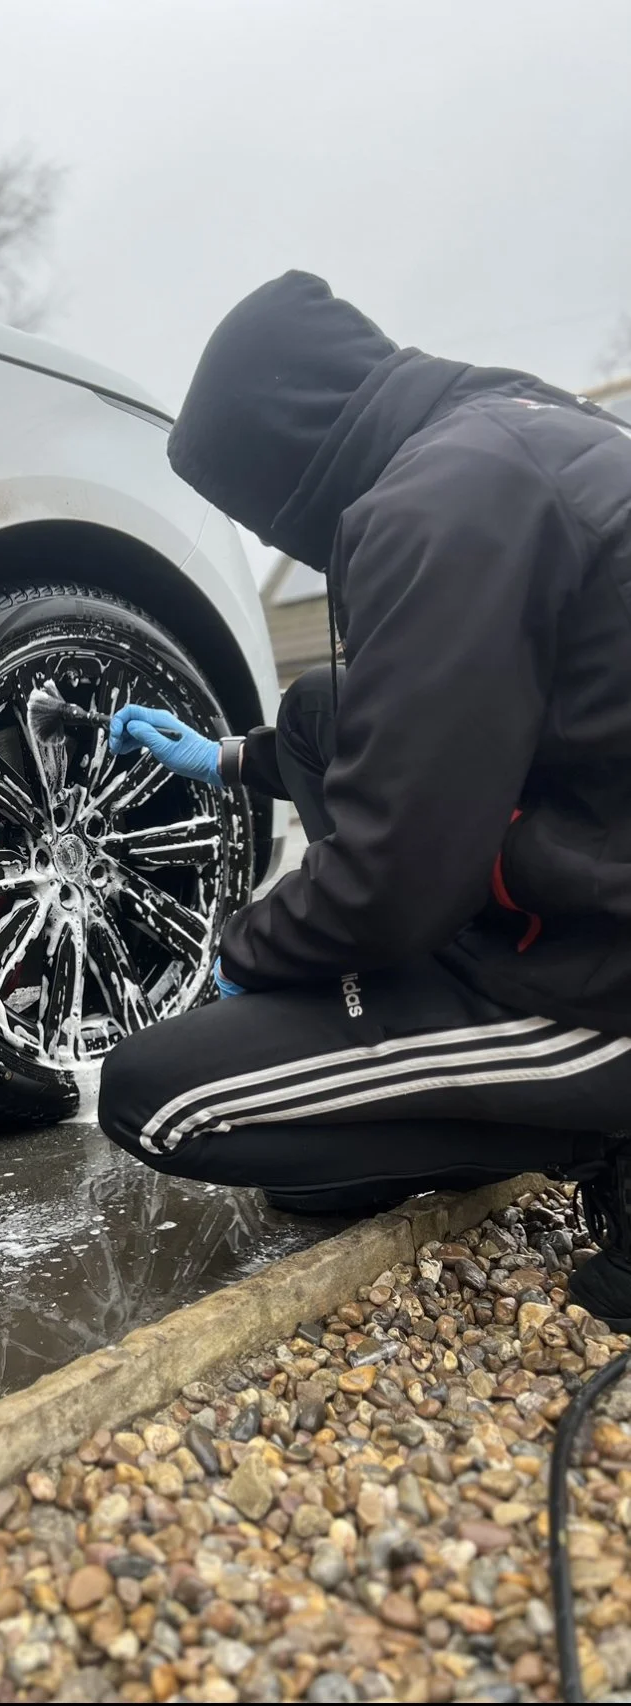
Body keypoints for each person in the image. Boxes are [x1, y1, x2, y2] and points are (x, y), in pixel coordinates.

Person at [96, 270, 631, 1328]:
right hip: (594, 841)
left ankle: (596, 1119)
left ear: (278, 464)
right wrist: (230, 758)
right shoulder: (502, 435)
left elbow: (395, 873)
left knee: (163, 1095)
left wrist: (246, 952)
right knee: (316, 711)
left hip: (603, 974)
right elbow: (426, 714)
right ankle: (431, 1090)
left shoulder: (437, 507)